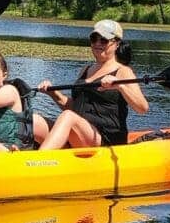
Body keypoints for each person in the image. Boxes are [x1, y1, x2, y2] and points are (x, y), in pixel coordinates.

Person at [37, 19, 148, 150]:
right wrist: (53, 94)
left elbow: (142, 108)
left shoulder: (123, 71)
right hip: (80, 134)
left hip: (107, 139)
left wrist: (120, 86)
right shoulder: (85, 69)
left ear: (116, 43)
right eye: (94, 39)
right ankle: (13, 155)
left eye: (104, 40)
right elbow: (76, 107)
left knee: (67, 116)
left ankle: (37, 161)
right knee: (34, 120)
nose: (97, 43)